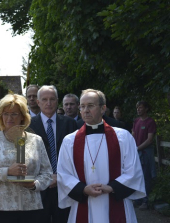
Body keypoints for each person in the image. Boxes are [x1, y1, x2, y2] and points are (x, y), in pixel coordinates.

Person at [57, 89, 146, 223]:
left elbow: (133, 170)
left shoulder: (123, 137)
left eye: (91, 105)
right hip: (83, 204)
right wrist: (83, 189)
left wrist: (111, 188)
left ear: (103, 108)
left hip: (116, 202)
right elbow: (63, 174)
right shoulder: (70, 141)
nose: (85, 110)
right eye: (82, 106)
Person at [0, 94, 52, 223]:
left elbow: (47, 173)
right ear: (0, 116)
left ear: (23, 115)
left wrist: (34, 184)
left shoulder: (36, 140)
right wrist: (7, 172)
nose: (9, 118)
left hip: (31, 207)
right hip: (0, 208)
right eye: (5, 113)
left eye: (14, 114)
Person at [28, 85, 77, 223]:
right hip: (39, 188)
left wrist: (60, 176)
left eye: (52, 99)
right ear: (38, 102)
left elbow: (75, 156)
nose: (48, 103)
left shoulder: (70, 124)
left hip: (64, 185)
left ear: (57, 101)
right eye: (44, 99)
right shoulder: (28, 126)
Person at [132, 101, 156, 210]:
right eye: (137, 107)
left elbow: (150, 139)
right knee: (137, 176)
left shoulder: (150, 122)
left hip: (145, 154)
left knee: (145, 177)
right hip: (136, 153)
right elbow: (133, 135)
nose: (138, 109)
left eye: (140, 107)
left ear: (146, 109)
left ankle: (145, 201)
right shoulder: (136, 121)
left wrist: (138, 148)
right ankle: (138, 199)